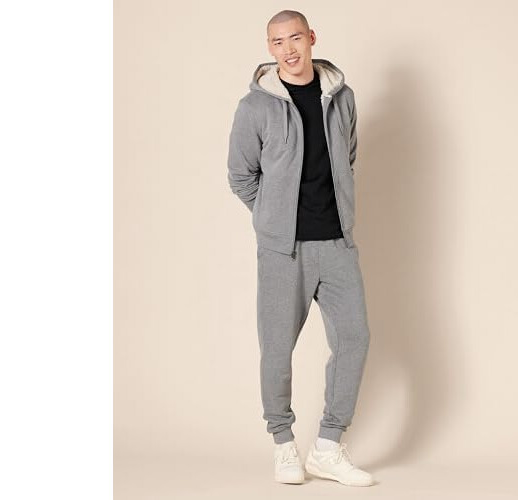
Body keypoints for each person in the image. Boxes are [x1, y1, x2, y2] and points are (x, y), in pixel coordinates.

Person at [227, 10, 374, 487]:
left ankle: (328, 447)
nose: (288, 49)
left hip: (337, 242)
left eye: (295, 38)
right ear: (269, 48)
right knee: (277, 349)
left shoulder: (342, 98)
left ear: (311, 38)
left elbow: (348, 155)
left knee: (354, 339)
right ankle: (283, 444)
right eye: (277, 42)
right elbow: (241, 175)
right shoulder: (255, 107)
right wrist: (271, 217)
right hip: (282, 251)